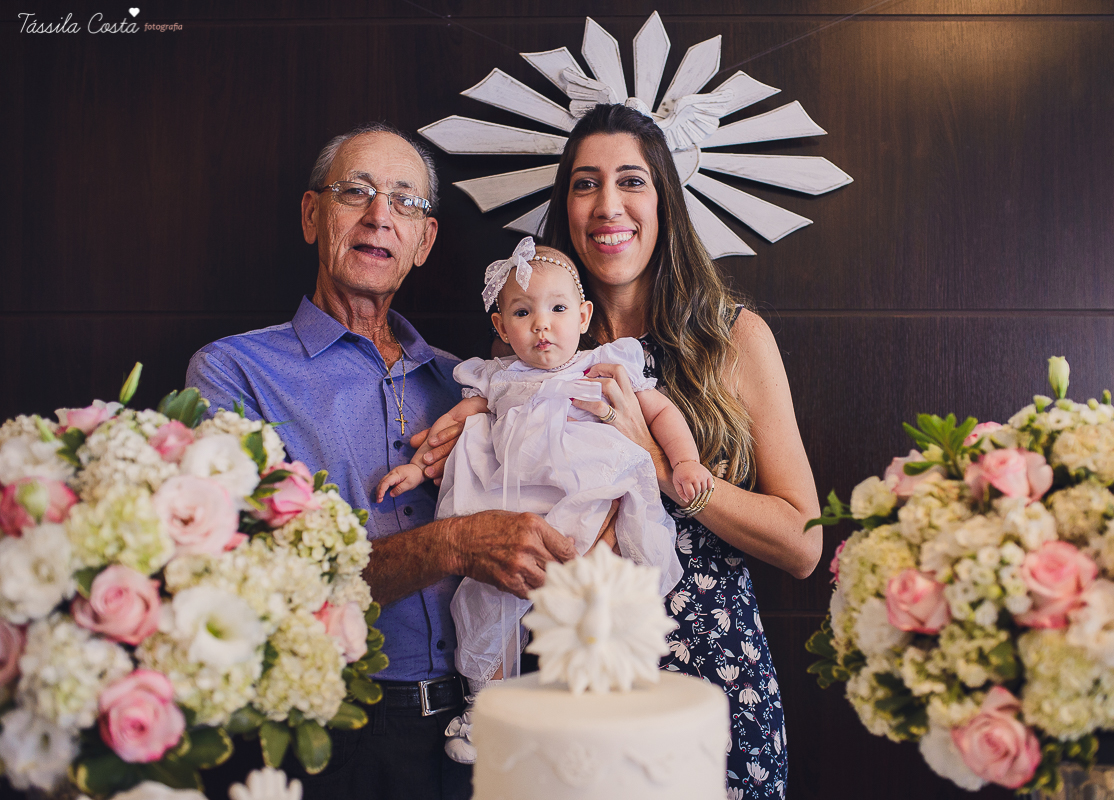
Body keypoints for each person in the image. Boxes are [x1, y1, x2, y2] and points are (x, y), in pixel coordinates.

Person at [185, 122, 576, 800]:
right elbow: (247, 582)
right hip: (335, 731)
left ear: (424, 243)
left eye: (405, 201)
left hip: (487, 719)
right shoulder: (234, 372)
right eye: (355, 192)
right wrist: (453, 544)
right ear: (313, 216)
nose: (379, 216)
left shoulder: (472, 383)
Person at [539, 103, 825, 799]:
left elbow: (802, 542)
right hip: (574, 675)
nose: (608, 205)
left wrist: (664, 469)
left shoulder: (732, 338)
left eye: (631, 181)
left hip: (713, 678)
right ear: (565, 207)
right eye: (585, 184)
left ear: (664, 199)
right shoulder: (535, 345)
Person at [377, 239, 707, 761]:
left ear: (584, 314)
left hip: (588, 501)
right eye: (522, 312)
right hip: (513, 512)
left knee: (597, 601)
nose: (541, 325)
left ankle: (601, 700)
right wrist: (417, 466)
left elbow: (660, 412)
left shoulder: (603, 366)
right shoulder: (498, 378)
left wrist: (684, 462)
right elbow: (452, 427)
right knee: (485, 600)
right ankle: (486, 707)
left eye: (557, 310)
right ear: (500, 327)